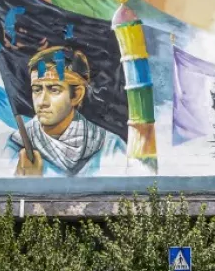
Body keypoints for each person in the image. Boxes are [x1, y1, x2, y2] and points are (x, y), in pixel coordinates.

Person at [8, 46, 127, 176]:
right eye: (37, 90)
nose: (42, 102)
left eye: (54, 90)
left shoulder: (110, 146)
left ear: (76, 95)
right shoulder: (16, 146)